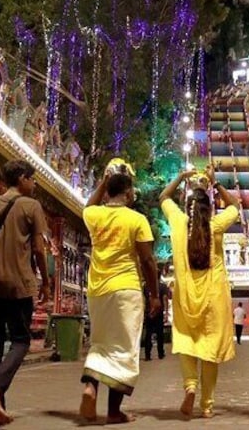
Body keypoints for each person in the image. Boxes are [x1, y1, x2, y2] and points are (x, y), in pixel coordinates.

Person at [0, 160, 51, 426]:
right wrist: (46, 282)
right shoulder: (31, 206)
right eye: (33, 179)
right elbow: (39, 249)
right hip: (19, 283)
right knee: (21, 341)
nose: (35, 184)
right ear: (23, 178)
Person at [79, 167, 160, 424]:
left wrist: (103, 184)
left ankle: (90, 387)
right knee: (124, 348)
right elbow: (147, 260)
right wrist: (155, 294)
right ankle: (113, 411)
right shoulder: (136, 220)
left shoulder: (95, 215)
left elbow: (88, 206)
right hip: (126, 288)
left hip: (97, 289)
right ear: (127, 193)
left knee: (100, 342)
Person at [160, 168, 240, 419]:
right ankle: (207, 406)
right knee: (210, 351)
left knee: (186, 342)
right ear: (209, 207)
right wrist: (216, 185)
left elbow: (163, 197)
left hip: (185, 295)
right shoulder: (216, 225)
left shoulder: (177, 221)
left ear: (187, 205)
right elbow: (235, 205)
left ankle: (190, 386)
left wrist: (181, 178)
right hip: (213, 297)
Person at [144, 270, 169, 360]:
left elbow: (143, 299)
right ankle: (160, 353)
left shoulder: (146, 286)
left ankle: (147, 354)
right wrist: (166, 313)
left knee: (148, 333)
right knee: (160, 333)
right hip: (159, 312)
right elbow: (165, 299)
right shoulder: (163, 286)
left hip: (148, 313)